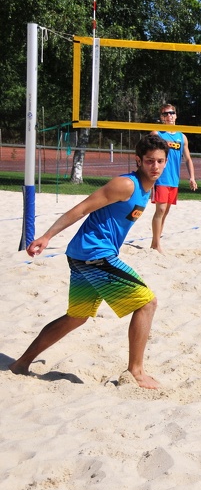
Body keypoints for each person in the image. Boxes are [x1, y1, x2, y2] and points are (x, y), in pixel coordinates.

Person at [10, 134, 170, 390]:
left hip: (83, 255)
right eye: (150, 161)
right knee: (147, 303)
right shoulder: (126, 185)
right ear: (138, 161)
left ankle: (21, 364)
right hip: (94, 255)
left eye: (160, 161)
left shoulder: (146, 189)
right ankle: (136, 372)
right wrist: (47, 236)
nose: (156, 167)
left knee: (77, 317)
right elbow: (82, 208)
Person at [150, 103, 197, 253]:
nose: (169, 116)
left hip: (173, 179)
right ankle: (157, 245)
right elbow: (149, 156)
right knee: (160, 210)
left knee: (165, 213)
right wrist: (150, 180)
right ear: (161, 118)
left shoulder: (181, 137)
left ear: (176, 115)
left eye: (171, 113)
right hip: (161, 178)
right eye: (165, 114)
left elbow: (188, 159)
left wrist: (192, 178)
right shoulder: (157, 134)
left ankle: (154, 243)